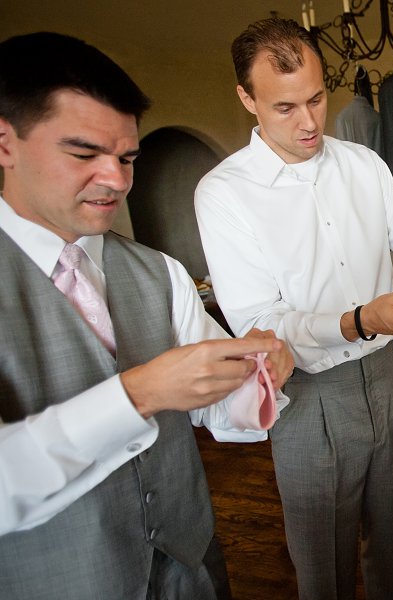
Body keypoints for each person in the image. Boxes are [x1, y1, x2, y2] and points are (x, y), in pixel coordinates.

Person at [0, 32, 295, 600]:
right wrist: (137, 396)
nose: (115, 179)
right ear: (6, 143)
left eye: (127, 158)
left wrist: (256, 376)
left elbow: (224, 415)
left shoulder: (160, 272)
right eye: (84, 154)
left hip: (190, 566)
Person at [194, 17, 393, 600]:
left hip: (389, 377)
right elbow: (255, 324)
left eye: (318, 99)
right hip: (306, 395)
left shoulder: (362, 164)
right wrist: (357, 322)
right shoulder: (223, 193)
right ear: (247, 98)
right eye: (285, 107)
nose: (308, 122)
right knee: (323, 563)